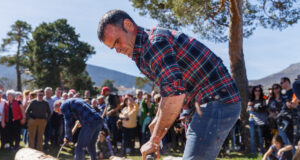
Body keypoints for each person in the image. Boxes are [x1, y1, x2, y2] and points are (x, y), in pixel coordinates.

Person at [98, 10, 241, 159]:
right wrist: (158, 121)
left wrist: (155, 139)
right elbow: (168, 91)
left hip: (217, 100)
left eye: (117, 42)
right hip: (202, 104)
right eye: (113, 47)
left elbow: (174, 94)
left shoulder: (154, 44)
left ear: (128, 25)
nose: (118, 50)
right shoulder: (141, 54)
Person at [247, 85, 268, 153]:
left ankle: (261, 151)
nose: (257, 92)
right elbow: (247, 109)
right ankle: (253, 152)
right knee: (252, 136)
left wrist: (254, 108)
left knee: (260, 136)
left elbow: (268, 99)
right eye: (256, 90)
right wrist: (248, 108)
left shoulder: (263, 97)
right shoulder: (251, 99)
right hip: (252, 119)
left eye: (259, 90)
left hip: (260, 120)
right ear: (254, 91)